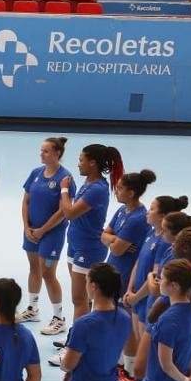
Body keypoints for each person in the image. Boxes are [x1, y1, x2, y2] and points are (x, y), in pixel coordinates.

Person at [54, 144, 123, 346]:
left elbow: (70, 212)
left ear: (92, 163)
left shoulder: (97, 189)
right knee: (84, 298)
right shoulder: (88, 183)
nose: (78, 164)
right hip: (75, 243)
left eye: (81, 160)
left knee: (79, 299)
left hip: (89, 248)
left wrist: (64, 189)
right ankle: (82, 337)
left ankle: (76, 346)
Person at [121, 195, 189, 381]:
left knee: (149, 350)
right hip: (137, 297)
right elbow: (139, 263)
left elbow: (156, 280)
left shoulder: (164, 244)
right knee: (139, 342)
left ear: (162, 216)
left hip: (148, 302)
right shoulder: (151, 234)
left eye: (152, 209)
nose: (147, 212)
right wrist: (130, 289)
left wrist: (136, 296)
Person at [100, 170, 156, 381]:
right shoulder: (122, 210)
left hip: (126, 277)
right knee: (117, 322)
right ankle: (121, 363)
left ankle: (130, 371)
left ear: (131, 193)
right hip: (114, 273)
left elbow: (120, 249)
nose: (117, 191)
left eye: (121, 188)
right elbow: (105, 235)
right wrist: (113, 239)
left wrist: (112, 241)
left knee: (128, 325)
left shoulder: (137, 219)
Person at [18, 137, 72, 335]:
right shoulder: (35, 173)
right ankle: (33, 309)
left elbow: (62, 211)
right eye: (41, 150)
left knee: (48, 274)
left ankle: (59, 318)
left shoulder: (65, 178)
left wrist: (42, 230)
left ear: (57, 153)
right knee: (34, 268)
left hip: (52, 234)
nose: (42, 154)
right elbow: (26, 201)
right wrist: (26, 227)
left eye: (46, 151)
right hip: (31, 231)